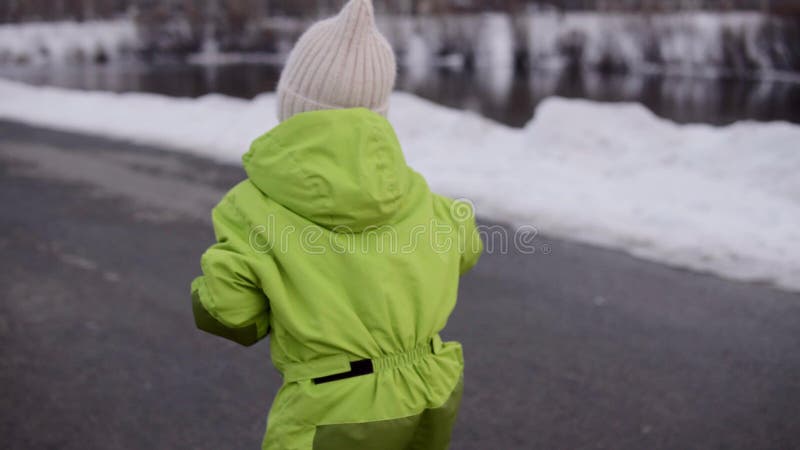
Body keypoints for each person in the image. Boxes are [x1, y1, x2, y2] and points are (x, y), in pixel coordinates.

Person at [190, 0, 483, 448]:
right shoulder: (417, 195)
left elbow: (231, 312)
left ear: (291, 104)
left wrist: (215, 287)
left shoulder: (251, 208)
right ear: (379, 112)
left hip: (332, 410)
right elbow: (464, 242)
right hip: (430, 388)